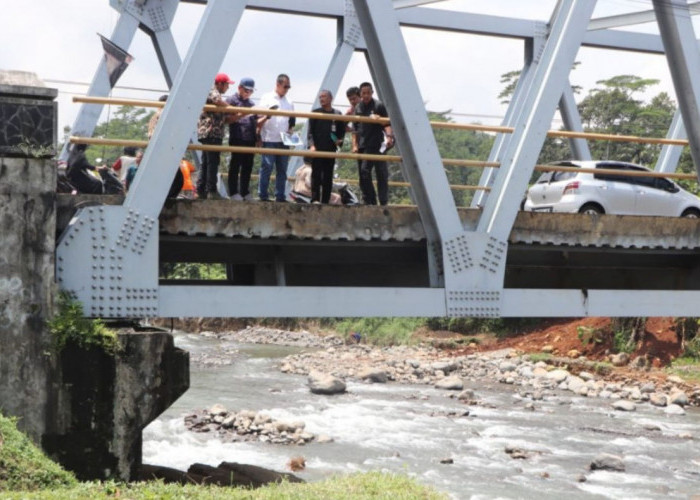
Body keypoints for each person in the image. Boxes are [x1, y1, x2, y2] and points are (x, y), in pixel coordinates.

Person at [353, 82, 394, 205]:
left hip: (377, 144)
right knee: (364, 173)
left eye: (368, 93)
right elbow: (355, 128)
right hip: (363, 144)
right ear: (360, 94)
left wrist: (389, 137)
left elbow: (387, 124)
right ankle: (371, 200)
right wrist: (354, 145)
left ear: (372, 93)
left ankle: (383, 201)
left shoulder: (378, 105)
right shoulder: (358, 107)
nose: (366, 95)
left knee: (381, 173)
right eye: (363, 93)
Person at [257, 73, 295, 202]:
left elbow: (292, 121)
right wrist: (258, 136)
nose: (287, 89)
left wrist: (291, 134)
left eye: (288, 87)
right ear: (278, 84)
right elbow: (258, 118)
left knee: (282, 170)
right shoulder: (266, 98)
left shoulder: (289, 101)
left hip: (284, 140)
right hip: (269, 138)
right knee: (267, 167)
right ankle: (263, 195)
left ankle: (280, 196)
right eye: (285, 86)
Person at [196, 72, 234, 199]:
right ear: (220, 84)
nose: (228, 88)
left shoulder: (210, 90)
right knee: (212, 161)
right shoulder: (213, 91)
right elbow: (217, 100)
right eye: (227, 85)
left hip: (209, 132)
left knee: (206, 162)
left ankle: (201, 189)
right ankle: (211, 190)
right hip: (212, 131)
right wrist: (230, 107)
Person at [307, 89, 345, 204]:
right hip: (317, 149)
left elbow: (341, 132)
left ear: (330, 98)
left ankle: (325, 200)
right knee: (316, 175)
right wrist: (312, 146)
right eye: (320, 97)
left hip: (330, 149)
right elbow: (310, 133)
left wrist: (339, 141)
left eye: (324, 96)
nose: (322, 99)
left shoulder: (337, 114)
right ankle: (315, 199)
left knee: (328, 176)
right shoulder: (315, 113)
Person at [225, 77, 258, 201]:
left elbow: (255, 122)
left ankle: (245, 191)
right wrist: (240, 114)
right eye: (246, 90)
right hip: (237, 136)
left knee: (248, 166)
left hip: (250, 138)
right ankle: (233, 192)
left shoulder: (251, 104)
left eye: (251, 91)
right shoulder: (231, 100)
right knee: (235, 164)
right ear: (239, 88)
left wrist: (266, 116)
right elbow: (226, 119)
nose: (248, 93)